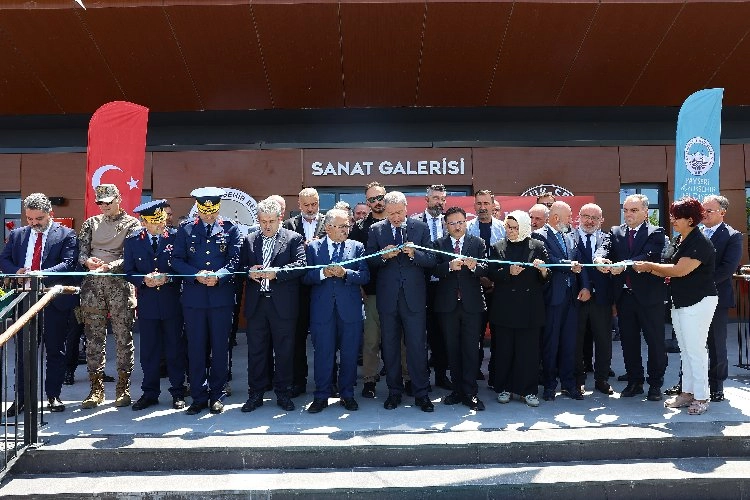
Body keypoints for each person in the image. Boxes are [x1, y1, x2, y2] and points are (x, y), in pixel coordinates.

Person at [633, 197, 718, 415]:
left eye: (676, 217)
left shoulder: (700, 242)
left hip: (699, 301)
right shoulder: (679, 239)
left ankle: (702, 396)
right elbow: (666, 266)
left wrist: (648, 266)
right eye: (672, 216)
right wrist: (643, 267)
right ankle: (687, 393)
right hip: (680, 301)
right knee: (686, 350)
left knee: (696, 350)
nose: (672, 220)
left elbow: (679, 270)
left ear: (690, 219)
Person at [0, 193, 78, 415]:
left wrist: (40, 274)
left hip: (52, 300)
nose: (34, 223)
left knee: (55, 350)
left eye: (39, 219)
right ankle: (21, 398)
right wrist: (16, 271)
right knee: (24, 352)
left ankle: (53, 396)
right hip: (24, 300)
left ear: (50, 214)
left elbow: (68, 263)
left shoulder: (67, 234)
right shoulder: (17, 235)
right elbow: (4, 259)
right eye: (30, 219)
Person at [664, 195, 743, 402]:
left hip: (712, 297)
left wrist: (699, 284)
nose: (704, 214)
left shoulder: (732, 236)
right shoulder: (689, 234)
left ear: (722, 212)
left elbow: (727, 269)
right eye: (702, 211)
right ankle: (686, 386)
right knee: (689, 344)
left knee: (715, 344)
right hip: (687, 298)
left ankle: (716, 386)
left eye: (709, 210)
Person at [172, 187, 242, 415]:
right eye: (204, 211)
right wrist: (196, 275)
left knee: (221, 348)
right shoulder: (186, 229)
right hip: (194, 299)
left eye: (212, 211)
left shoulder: (230, 229)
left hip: (221, 298)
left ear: (218, 208)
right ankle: (199, 396)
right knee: (196, 348)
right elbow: (177, 260)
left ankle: (218, 394)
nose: (208, 215)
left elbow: (235, 260)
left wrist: (219, 276)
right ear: (198, 209)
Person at [366, 191, 436, 412]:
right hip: (388, 299)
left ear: (406, 208)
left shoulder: (420, 228)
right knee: (390, 346)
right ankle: (394, 392)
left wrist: (415, 254)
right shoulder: (376, 230)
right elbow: (368, 261)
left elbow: (432, 259)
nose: (395, 217)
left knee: (417, 346)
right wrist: (382, 256)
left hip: (414, 298)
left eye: (399, 212)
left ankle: (421, 393)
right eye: (391, 213)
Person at [595, 194, 666, 401]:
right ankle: (635, 381)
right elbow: (605, 248)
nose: (628, 214)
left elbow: (649, 256)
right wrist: (599, 258)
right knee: (629, 342)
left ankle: (655, 384)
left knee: (655, 342)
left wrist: (624, 265)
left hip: (649, 298)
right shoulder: (616, 232)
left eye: (633, 210)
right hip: (625, 297)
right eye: (625, 210)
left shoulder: (656, 232)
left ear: (645, 212)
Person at [78, 184, 141, 409]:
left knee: (123, 337)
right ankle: (96, 389)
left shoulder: (132, 224)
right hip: (93, 287)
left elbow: (132, 255)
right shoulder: (90, 223)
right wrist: (87, 261)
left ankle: (123, 389)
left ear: (118, 200)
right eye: (100, 202)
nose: (104, 206)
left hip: (119, 286)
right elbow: (81, 251)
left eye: (108, 202)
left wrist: (111, 266)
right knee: (93, 339)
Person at [241, 198, 306, 413]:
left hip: (283, 305)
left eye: (271, 221)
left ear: (280, 219)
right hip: (257, 304)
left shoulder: (293, 238)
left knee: (285, 350)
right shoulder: (250, 240)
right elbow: (240, 267)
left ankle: (283, 393)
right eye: (263, 221)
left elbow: (301, 265)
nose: (267, 225)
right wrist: (249, 272)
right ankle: (256, 394)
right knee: (256, 351)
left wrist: (277, 273)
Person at [303, 208, 369, 413]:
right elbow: (305, 277)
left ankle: (347, 395)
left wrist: (345, 273)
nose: (346, 230)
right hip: (322, 311)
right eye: (342, 226)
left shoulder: (357, 247)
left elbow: (365, 276)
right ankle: (321, 396)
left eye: (347, 226)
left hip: (349, 311)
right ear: (329, 227)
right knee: (323, 354)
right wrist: (322, 273)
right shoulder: (313, 248)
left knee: (349, 354)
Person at [349, 182, 410, 399]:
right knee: (371, 340)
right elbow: (355, 260)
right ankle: (369, 380)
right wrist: (359, 286)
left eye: (379, 197)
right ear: (367, 202)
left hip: (400, 292)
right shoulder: (360, 228)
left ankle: (407, 377)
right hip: (372, 291)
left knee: (401, 339)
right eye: (371, 199)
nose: (376, 202)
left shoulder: (401, 223)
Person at [124, 200, 187, 411]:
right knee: (149, 351)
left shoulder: (176, 237)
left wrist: (168, 278)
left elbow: (183, 267)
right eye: (155, 222)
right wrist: (143, 280)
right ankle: (150, 393)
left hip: (172, 302)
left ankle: (178, 392)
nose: (161, 224)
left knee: (174, 349)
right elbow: (129, 271)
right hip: (148, 303)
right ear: (144, 223)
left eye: (162, 219)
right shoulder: (133, 241)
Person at [489, 211, 549, 407]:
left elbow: (547, 276)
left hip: (530, 308)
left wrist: (543, 270)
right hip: (505, 308)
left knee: (528, 352)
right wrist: (508, 272)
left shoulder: (537, 246)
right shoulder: (498, 247)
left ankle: (528, 390)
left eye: (514, 227)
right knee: (504, 351)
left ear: (523, 227)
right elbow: (491, 272)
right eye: (508, 227)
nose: (511, 231)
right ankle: (504, 388)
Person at [532, 201, 589, 401]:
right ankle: (549, 386)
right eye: (569, 216)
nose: (572, 219)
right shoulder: (539, 235)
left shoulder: (570, 236)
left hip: (571, 298)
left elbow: (581, 263)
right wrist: (568, 264)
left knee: (569, 343)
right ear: (556, 218)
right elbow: (548, 259)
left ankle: (568, 384)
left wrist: (585, 286)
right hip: (552, 298)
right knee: (551, 344)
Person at [432, 206, 487, 411]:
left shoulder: (477, 243)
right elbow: (432, 269)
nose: (457, 227)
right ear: (446, 225)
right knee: (452, 349)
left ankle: (470, 392)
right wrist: (448, 267)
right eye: (452, 223)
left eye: (460, 222)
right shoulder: (439, 244)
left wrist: (474, 267)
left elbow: (486, 268)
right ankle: (457, 390)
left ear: (466, 223)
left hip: (472, 305)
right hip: (448, 306)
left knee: (471, 349)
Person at [283, 187, 326, 398]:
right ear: (299, 205)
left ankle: (327, 381)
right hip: (297, 291)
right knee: (297, 338)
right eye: (306, 205)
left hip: (323, 287)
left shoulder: (329, 222)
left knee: (325, 339)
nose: (310, 208)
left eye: (314, 204)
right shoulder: (288, 225)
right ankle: (297, 382)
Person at [410, 184, 450, 390]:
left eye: (442, 199)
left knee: (441, 333)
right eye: (436, 198)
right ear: (426, 200)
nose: (439, 202)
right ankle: (420, 378)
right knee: (418, 334)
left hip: (443, 286)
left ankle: (441, 376)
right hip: (420, 285)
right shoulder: (414, 223)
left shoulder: (449, 223)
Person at [573, 203, 614, 395]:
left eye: (594, 218)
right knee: (576, 340)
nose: (589, 221)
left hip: (602, 298)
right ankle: (578, 379)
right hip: (577, 297)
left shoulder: (608, 239)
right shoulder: (569, 237)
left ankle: (602, 379)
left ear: (601, 220)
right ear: (579, 217)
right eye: (586, 216)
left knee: (604, 340)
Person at [466, 190, 506, 382]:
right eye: (479, 203)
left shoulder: (503, 228)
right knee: (475, 333)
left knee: (499, 333)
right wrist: (481, 277)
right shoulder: (467, 228)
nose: (482, 207)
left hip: (500, 289)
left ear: (492, 205)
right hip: (475, 287)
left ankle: (497, 372)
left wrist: (496, 280)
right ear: (474, 206)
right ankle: (474, 371)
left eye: (486, 203)